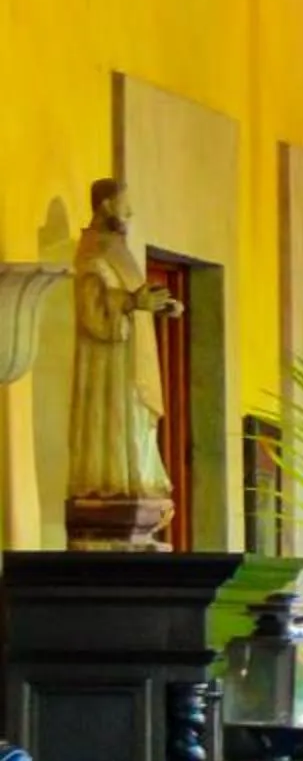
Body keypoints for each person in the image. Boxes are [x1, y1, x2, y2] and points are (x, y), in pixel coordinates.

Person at [66, 179, 179, 528]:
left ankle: (137, 483)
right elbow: (93, 313)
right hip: (109, 372)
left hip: (129, 363)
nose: (129, 212)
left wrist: (155, 305)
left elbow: (132, 299)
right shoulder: (92, 252)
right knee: (118, 429)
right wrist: (132, 302)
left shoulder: (117, 250)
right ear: (104, 206)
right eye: (123, 203)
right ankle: (114, 483)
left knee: (138, 428)